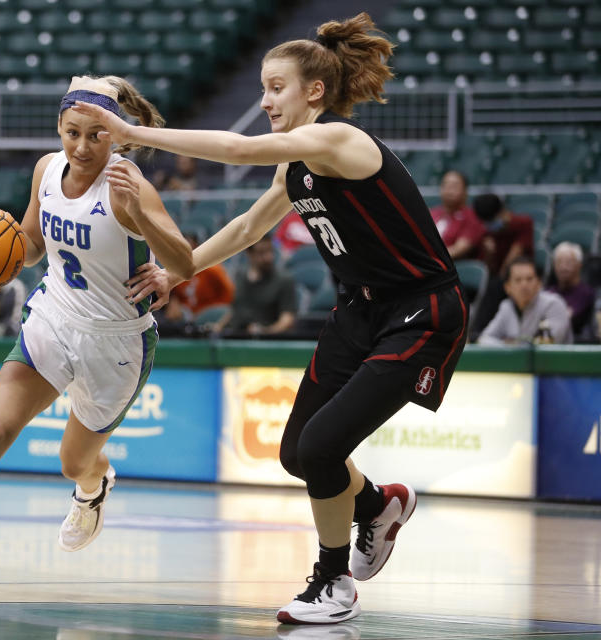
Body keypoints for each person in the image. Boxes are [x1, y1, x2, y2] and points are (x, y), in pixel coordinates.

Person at [73, 13, 468, 625]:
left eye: (275, 87)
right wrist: (180, 271)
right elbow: (247, 227)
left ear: (314, 91)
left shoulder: (340, 141)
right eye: (261, 87)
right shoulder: (298, 165)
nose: (263, 101)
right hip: (359, 311)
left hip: (420, 311)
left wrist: (134, 132)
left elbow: (235, 150)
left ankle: (333, 585)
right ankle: (378, 504)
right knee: (296, 453)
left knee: (322, 446)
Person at [0, 75, 193, 606]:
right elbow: (28, 247)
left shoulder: (128, 185)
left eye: (97, 136)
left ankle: (93, 486)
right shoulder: (47, 170)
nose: (83, 146)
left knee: (74, 462)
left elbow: (184, 263)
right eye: (73, 133)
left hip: (116, 341)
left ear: (115, 136)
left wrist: (141, 217)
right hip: (53, 315)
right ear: (59, 128)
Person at [469, 193, 534, 337]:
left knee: (495, 286)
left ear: (502, 212)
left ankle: (477, 333)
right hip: (497, 280)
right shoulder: (486, 232)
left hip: (521, 276)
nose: (490, 225)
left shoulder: (523, 223)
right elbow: (488, 269)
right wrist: (489, 254)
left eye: (492, 220)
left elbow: (511, 265)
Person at [479, 256, 572, 345]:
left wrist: (513, 344)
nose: (524, 285)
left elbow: (547, 345)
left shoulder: (554, 304)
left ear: (539, 283)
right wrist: (506, 345)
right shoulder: (506, 307)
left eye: (529, 279)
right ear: (507, 287)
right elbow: (484, 339)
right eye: (518, 280)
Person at [218, 234, 297, 338]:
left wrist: (264, 332)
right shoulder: (240, 276)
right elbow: (234, 310)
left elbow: (287, 320)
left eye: (270, 251)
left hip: (266, 343)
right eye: (262, 253)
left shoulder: (284, 280)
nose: (268, 257)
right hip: (236, 339)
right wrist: (218, 327)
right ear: (249, 253)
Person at [163, 231, 235, 330]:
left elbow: (229, 294)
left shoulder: (213, 269)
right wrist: (174, 305)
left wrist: (213, 310)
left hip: (209, 314)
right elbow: (175, 298)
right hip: (186, 317)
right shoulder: (175, 271)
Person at [430, 171, 486, 260]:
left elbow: (459, 249)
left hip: (453, 267)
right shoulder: (432, 213)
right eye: (445, 185)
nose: (449, 190)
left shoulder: (472, 217)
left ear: (465, 191)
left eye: (454, 186)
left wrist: (429, 259)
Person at [546, 242, 595, 340]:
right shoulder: (548, 292)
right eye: (559, 262)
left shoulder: (586, 293)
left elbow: (567, 318)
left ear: (579, 265)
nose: (563, 267)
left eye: (568, 262)